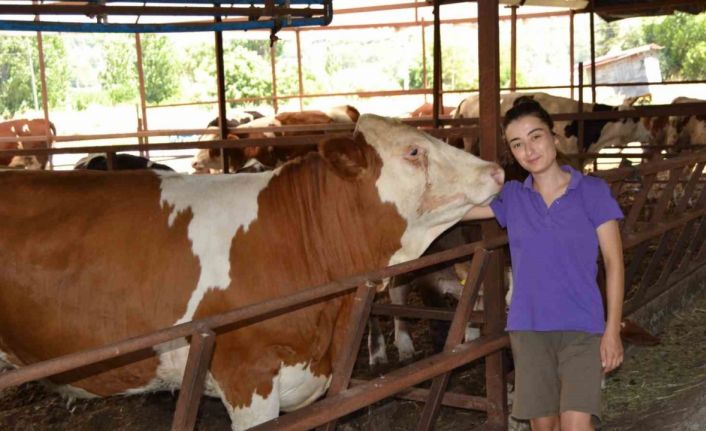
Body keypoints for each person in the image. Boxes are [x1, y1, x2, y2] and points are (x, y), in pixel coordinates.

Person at [464, 97, 624, 431]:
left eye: (536, 137)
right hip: (530, 329)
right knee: (544, 427)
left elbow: (614, 262)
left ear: (554, 136)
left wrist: (612, 330)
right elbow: (457, 211)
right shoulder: (512, 196)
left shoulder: (592, 191)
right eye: (517, 144)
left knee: (576, 426)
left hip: (583, 328)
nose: (529, 150)